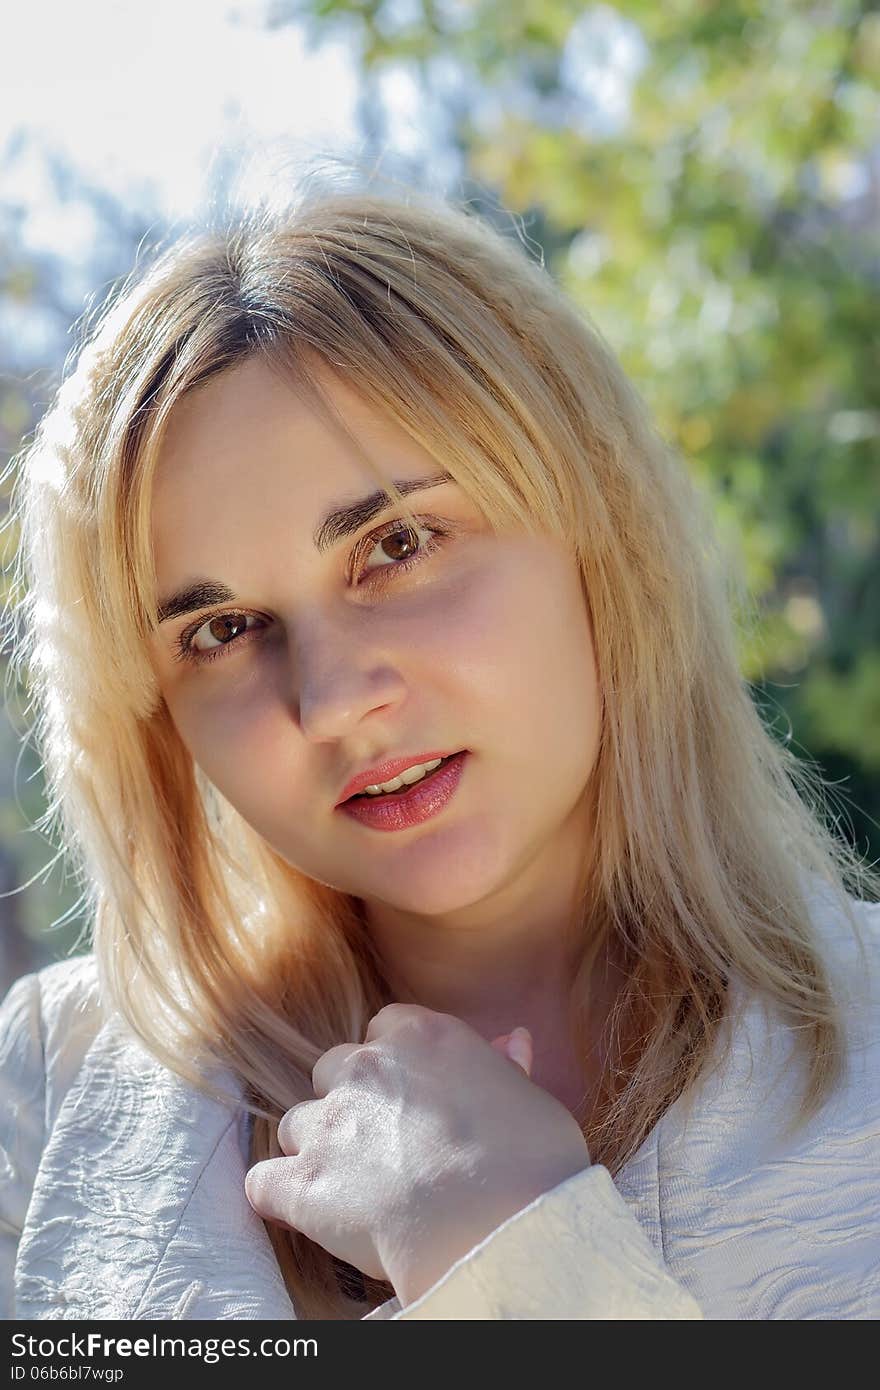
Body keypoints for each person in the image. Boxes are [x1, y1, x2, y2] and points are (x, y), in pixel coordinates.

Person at [0, 173, 878, 1322]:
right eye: (220, 630)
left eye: (396, 543)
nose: (330, 701)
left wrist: (512, 1248)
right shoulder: (44, 1093)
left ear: (594, 524)